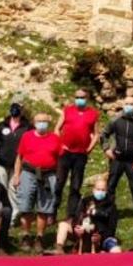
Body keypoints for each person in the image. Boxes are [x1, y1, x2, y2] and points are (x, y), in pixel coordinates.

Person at [13, 112, 62, 252]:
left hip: (48, 175)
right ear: (34, 123)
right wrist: (17, 175)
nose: (42, 124)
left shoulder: (55, 138)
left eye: (44, 121)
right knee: (25, 205)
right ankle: (26, 235)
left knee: (44, 207)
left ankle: (40, 237)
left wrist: (58, 178)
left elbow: (60, 160)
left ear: (49, 122)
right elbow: (19, 157)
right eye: (39, 121)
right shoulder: (26, 136)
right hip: (28, 173)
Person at [99, 98, 133, 222]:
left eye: (131, 104)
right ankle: (107, 212)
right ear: (122, 105)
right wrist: (106, 149)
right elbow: (104, 134)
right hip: (117, 158)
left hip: (132, 159)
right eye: (127, 104)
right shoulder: (115, 120)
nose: (129, 106)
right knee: (111, 185)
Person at [54, 89, 99, 220]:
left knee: (75, 185)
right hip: (65, 152)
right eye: (77, 97)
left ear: (87, 98)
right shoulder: (67, 110)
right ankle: (52, 211)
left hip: (80, 154)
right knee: (59, 183)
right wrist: (60, 143)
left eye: (82, 97)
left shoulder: (93, 114)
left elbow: (96, 134)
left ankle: (71, 215)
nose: (79, 99)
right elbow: (57, 128)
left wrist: (89, 149)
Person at [54, 175, 121, 254]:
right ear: (93, 190)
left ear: (106, 191)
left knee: (116, 251)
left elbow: (112, 228)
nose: (100, 192)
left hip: (99, 237)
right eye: (98, 189)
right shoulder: (85, 201)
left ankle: (101, 251)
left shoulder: (111, 205)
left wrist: (100, 236)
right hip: (82, 233)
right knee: (63, 225)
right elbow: (77, 216)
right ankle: (59, 248)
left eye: (103, 190)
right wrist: (76, 228)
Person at [0, 101, 31, 218]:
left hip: (18, 163)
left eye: (18, 107)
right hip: (1, 162)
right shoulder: (3, 125)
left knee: (14, 188)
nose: (16, 109)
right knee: (0, 186)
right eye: (13, 106)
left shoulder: (27, 126)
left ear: (22, 110)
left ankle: (13, 215)